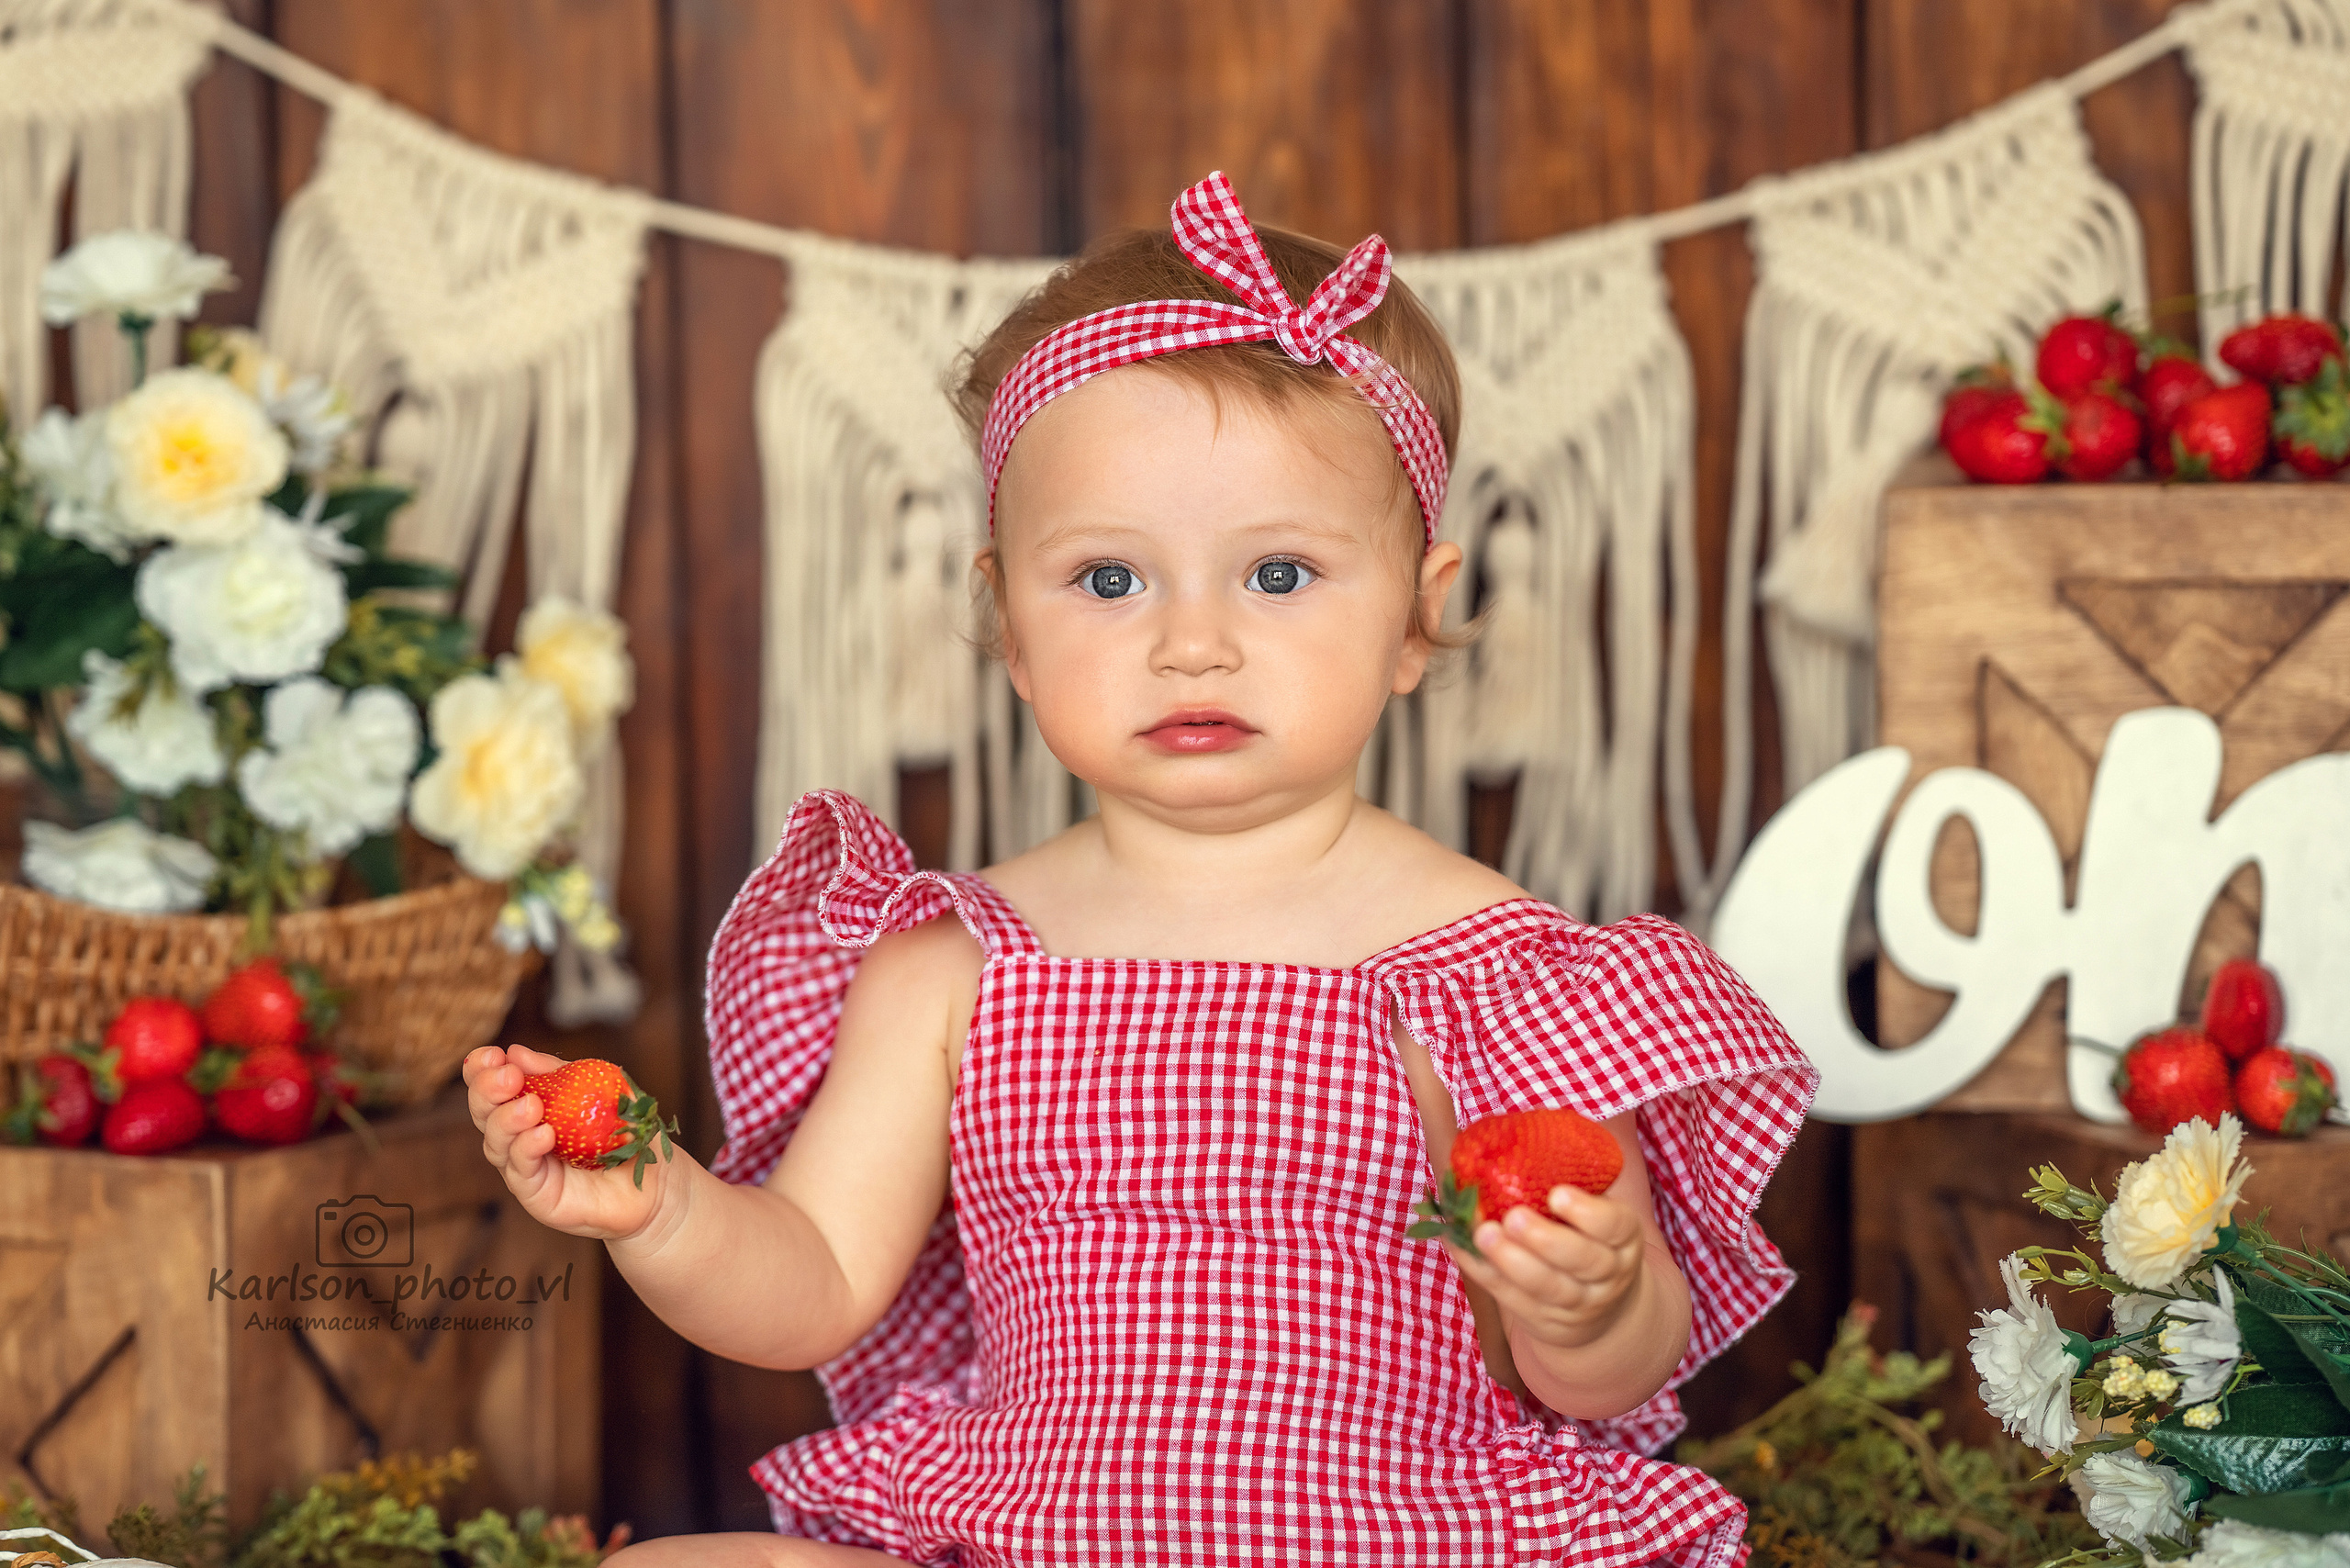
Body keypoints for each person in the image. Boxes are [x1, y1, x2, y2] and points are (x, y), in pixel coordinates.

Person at [466, 172, 1817, 1567]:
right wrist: (662, 1205)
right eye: (1109, 580)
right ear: (1006, 618)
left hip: (1405, 1538)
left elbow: (1602, 1383)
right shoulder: (957, 963)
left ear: (1419, 615)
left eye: (1278, 575)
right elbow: (811, 1284)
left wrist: (1587, 1308)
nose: (1192, 644)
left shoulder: (1509, 978)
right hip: (1034, 1536)